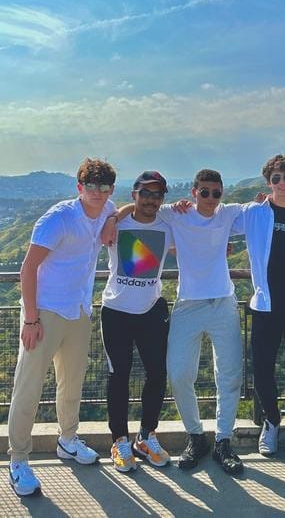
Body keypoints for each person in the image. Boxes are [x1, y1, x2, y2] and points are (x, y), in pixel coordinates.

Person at [105, 168, 247, 475]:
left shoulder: (226, 214)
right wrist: (114, 217)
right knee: (179, 375)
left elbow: (266, 210)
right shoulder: (174, 214)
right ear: (193, 192)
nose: (210, 198)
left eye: (216, 193)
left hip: (221, 303)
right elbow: (136, 208)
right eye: (204, 192)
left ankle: (223, 440)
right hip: (183, 305)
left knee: (230, 376)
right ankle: (196, 437)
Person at [8, 158, 116, 497]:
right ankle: (18, 460)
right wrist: (30, 318)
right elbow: (27, 271)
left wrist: (113, 218)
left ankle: (67, 440)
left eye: (105, 186)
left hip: (79, 310)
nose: (99, 193)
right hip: (46, 312)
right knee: (29, 387)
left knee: (73, 382)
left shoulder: (106, 206)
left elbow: (119, 209)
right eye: (92, 186)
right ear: (79, 187)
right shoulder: (58, 220)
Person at [232, 154, 285, 469]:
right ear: (268, 182)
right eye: (276, 178)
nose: (282, 183)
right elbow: (216, 219)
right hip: (266, 305)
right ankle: (271, 421)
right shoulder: (254, 213)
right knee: (263, 369)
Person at [101, 171, 174, 472]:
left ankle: (146, 437)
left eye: (157, 194)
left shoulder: (169, 223)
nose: (151, 199)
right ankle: (119, 439)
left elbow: (201, 224)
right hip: (116, 311)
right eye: (145, 193)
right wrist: (117, 215)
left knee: (157, 374)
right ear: (134, 195)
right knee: (119, 376)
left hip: (151, 309)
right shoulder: (116, 223)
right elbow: (102, 227)